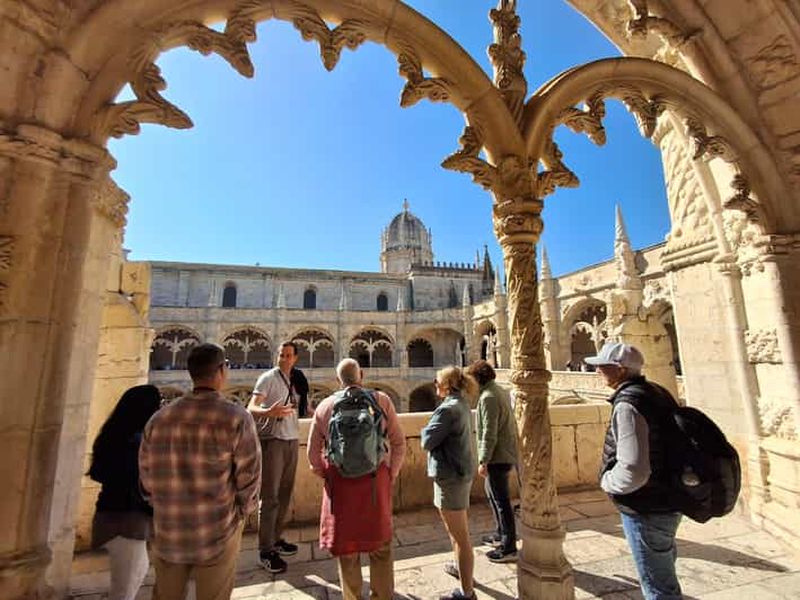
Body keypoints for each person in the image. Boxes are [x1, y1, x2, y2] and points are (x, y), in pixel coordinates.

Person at [139, 343, 262, 600]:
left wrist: (162, 507)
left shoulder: (158, 419)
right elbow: (249, 478)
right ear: (221, 371)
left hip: (168, 527)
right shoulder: (236, 417)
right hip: (217, 529)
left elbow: (146, 479)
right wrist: (241, 513)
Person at [586, 341, 683, 600]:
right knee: (664, 571)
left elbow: (635, 468)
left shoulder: (629, 404)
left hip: (645, 505)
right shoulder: (657, 392)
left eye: (602, 366)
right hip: (670, 497)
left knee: (657, 588)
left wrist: (607, 482)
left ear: (619, 370)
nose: (597, 371)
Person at [307, 358, 406, 600]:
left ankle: (352, 597)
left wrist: (326, 473)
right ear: (361, 374)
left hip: (340, 483)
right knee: (380, 546)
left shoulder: (325, 406)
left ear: (338, 379)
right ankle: (382, 596)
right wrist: (390, 473)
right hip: (375, 480)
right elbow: (399, 443)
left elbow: (312, 455)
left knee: (347, 549)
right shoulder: (382, 400)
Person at [89, 385, 161, 600]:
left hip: (109, 515)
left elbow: (98, 473)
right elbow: (141, 483)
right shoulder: (137, 443)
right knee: (124, 590)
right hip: (127, 521)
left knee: (131, 577)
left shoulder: (112, 435)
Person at [421, 366, 478, 600]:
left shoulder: (447, 410)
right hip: (459, 473)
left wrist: (426, 429)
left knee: (460, 537)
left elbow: (427, 440)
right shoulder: (462, 403)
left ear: (446, 385)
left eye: (437, 382)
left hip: (450, 477)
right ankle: (461, 570)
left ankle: (467, 593)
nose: (435, 386)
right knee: (457, 533)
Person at [247, 341, 301, 573]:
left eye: (289, 355)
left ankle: (276, 539)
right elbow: (250, 407)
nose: (285, 358)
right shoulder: (267, 378)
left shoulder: (291, 379)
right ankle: (265, 550)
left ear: (295, 358)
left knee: (285, 495)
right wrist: (269, 412)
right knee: (269, 498)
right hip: (274, 442)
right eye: (281, 355)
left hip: (291, 440)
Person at [467, 360, 518, 563]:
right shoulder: (497, 391)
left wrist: (484, 460)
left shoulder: (488, 397)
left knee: (501, 501)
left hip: (497, 456)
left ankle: (508, 547)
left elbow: (489, 433)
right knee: (494, 496)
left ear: (477, 378)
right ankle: (500, 535)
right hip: (501, 454)